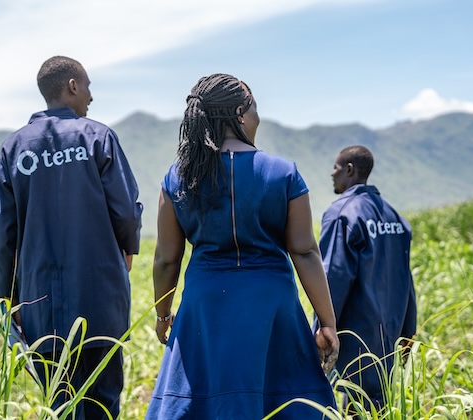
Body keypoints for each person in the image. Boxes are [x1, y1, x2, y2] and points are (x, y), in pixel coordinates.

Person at [146, 73, 339, 419]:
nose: (258, 116)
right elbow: (305, 251)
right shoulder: (284, 173)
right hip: (272, 306)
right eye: (255, 107)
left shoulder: (178, 178)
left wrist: (163, 315)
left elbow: (166, 259)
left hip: (204, 307)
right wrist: (326, 322)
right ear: (239, 113)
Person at [0, 55, 143, 419]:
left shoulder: (13, 149)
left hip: (39, 307)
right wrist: (128, 252)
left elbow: (5, 233)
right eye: (88, 86)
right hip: (99, 297)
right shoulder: (98, 137)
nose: (90, 96)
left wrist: (8, 296)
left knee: (58, 404)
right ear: (73, 86)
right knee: (103, 402)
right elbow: (125, 210)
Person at [315, 145, 416, 410]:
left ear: (349, 170)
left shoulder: (342, 214)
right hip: (390, 332)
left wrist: (321, 329)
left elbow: (333, 276)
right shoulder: (395, 217)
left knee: (357, 406)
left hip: (356, 334)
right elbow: (407, 278)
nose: (331, 173)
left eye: (336, 168)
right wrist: (409, 330)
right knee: (378, 405)